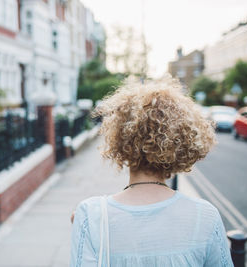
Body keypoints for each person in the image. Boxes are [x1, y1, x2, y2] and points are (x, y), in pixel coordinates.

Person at [70, 77, 233, 267]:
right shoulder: (205, 216)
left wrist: (85, 224)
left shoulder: (91, 215)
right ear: (182, 144)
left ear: (121, 138)